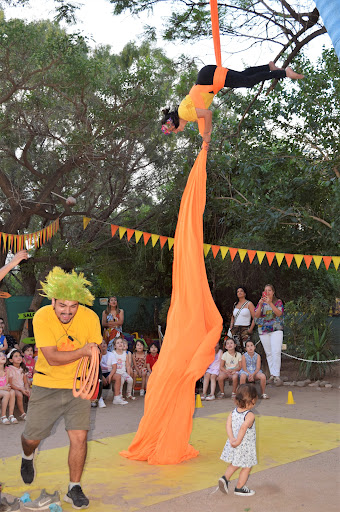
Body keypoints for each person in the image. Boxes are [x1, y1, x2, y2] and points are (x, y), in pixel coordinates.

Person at [20, 267, 102, 510]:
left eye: (73, 306)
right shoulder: (42, 316)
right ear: (52, 300)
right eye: (62, 305)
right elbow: (53, 357)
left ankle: (73, 487)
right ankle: (27, 456)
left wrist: (97, 349)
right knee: (32, 438)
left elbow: (96, 346)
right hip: (48, 384)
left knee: (79, 437)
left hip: (79, 387)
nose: (67, 311)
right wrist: (84, 350)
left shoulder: (90, 318)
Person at [161, 62, 304, 145]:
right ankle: (269, 67)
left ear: (173, 124)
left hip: (211, 78)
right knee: (243, 76)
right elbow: (202, 119)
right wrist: (205, 136)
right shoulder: (185, 113)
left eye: (174, 130)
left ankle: (285, 73)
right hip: (208, 76)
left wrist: (206, 134)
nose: (178, 131)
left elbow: (207, 114)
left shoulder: (185, 114)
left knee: (247, 82)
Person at [219, 383, 258, 496]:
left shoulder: (233, 412)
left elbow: (228, 425)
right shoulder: (250, 415)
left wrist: (232, 439)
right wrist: (238, 441)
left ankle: (225, 478)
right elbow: (243, 427)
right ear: (252, 401)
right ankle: (239, 488)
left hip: (234, 443)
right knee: (247, 466)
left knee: (235, 463)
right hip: (244, 445)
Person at [254, 284, 284, 386]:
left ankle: (277, 376)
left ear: (273, 292)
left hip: (276, 329)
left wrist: (270, 303)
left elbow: (279, 313)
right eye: (265, 290)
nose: (267, 292)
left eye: (269, 290)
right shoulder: (261, 303)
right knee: (269, 353)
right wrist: (261, 305)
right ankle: (272, 375)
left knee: (276, 351)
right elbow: (256, 315)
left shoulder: (278, 302)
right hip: (263, 330)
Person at [99, 339, 128, 407]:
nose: (103, 345)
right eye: (101, 344)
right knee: (96, 379)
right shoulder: (96, 355)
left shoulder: (111, 354)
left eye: (105, 343)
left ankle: (116, 398)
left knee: (118, 376)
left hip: (109, 372)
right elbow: (96, 368)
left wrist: (109, 376)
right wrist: (101, 376)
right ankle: (99, 398)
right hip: (100, 373)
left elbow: (114, 368)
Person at [229, 287, 255, 352]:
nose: (239, 293)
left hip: (245, 328)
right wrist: (231, 327)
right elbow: (233, 316)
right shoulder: (235, 304)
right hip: (235, 329)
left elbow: (255, 317)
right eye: (238, 291)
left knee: (247, 348)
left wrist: (250, 329)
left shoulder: (249, 304)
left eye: (241, 291)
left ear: (245, 293)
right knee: (236, 349)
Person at [6, 348, 31, 418]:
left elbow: (25, 382)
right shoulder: (10, 369)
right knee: (19, 395)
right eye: (16, 356)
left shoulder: (22, 369)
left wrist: (27, 389)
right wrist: (21, 389)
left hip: (22, 387)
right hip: (14, 388)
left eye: (20, 355)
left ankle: (32, 412)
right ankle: (23, 414)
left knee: (31, 392)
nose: (19, 357)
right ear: (11, 360)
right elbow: (10, 384)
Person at [0, 352, 17, 424]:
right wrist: (4, 388)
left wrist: (7, 387)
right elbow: (4, 387)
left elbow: (6, 384)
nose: (3, 356)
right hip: (1, 389)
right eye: (0, 356)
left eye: (3, 355)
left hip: (3, 389)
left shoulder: (7, 370)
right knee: (6, 394)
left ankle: (11, 415)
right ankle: (3, 416)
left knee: (12, 392)